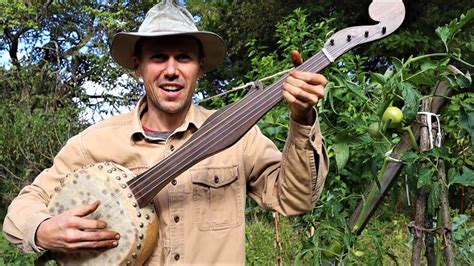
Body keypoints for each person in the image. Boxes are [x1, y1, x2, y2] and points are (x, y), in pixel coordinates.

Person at [3, 1, 329, 264]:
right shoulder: (94, 144)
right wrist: (43, 229)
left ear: (200, 66)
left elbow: (295, 199)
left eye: (183, 57)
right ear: (138, 65)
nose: (171, 70)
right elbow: (23, 209)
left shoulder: (241, 137)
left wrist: (302, 119)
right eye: (159, 57)